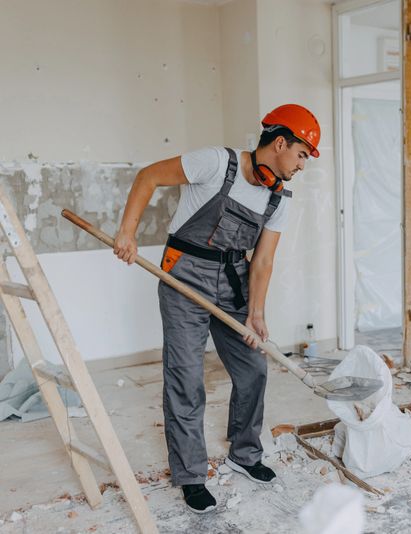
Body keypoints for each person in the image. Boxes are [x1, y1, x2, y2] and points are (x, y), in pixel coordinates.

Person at [113, 104, 321, 513]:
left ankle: (245, 455)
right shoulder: (215, 163)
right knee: (186, 379)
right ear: (280, 142)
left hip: (233, 283)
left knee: (254, 369)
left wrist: (256, 313)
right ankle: (191, 475)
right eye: (301, 154)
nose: (301, 165)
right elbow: (148, 176)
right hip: (183, 279)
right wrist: (127, 232)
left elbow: (261, 261)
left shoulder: (279, 198)